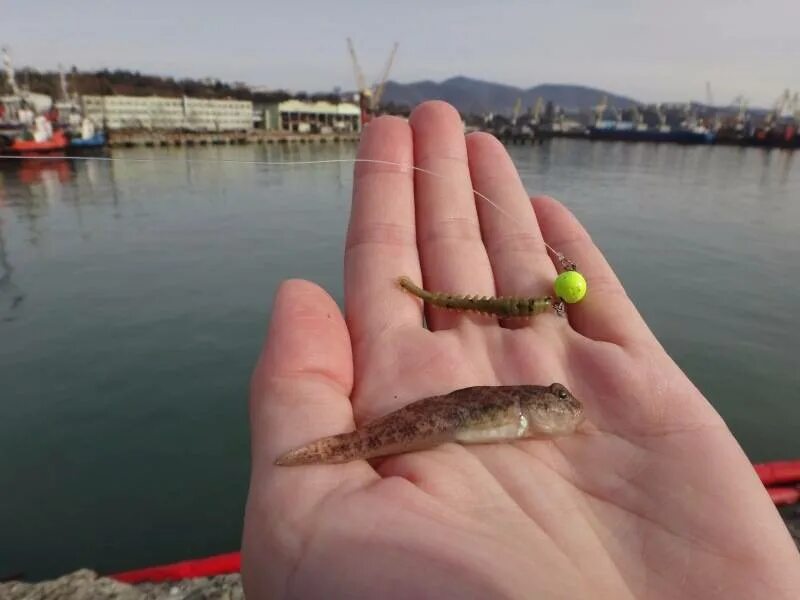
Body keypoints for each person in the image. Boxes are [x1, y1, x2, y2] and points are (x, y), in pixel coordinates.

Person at [241, 101, 800, 599]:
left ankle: (344, 447)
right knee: (420, 423)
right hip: (459, 412)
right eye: (559, 397)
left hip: (468, 410)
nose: (567, 403)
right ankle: (341, 448)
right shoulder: (526, 408)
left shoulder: (537, 411)